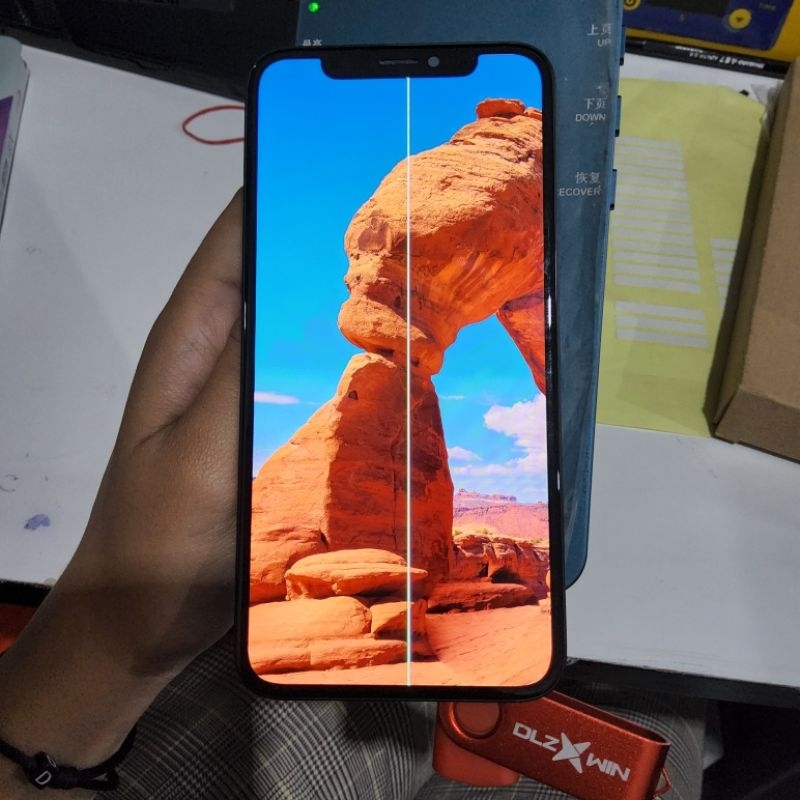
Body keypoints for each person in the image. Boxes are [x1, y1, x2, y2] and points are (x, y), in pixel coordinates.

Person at [0, 192, 708, 799]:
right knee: (661, 699)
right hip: (82, 742)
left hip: (69, 739)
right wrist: (114, 629)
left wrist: (105, 638)